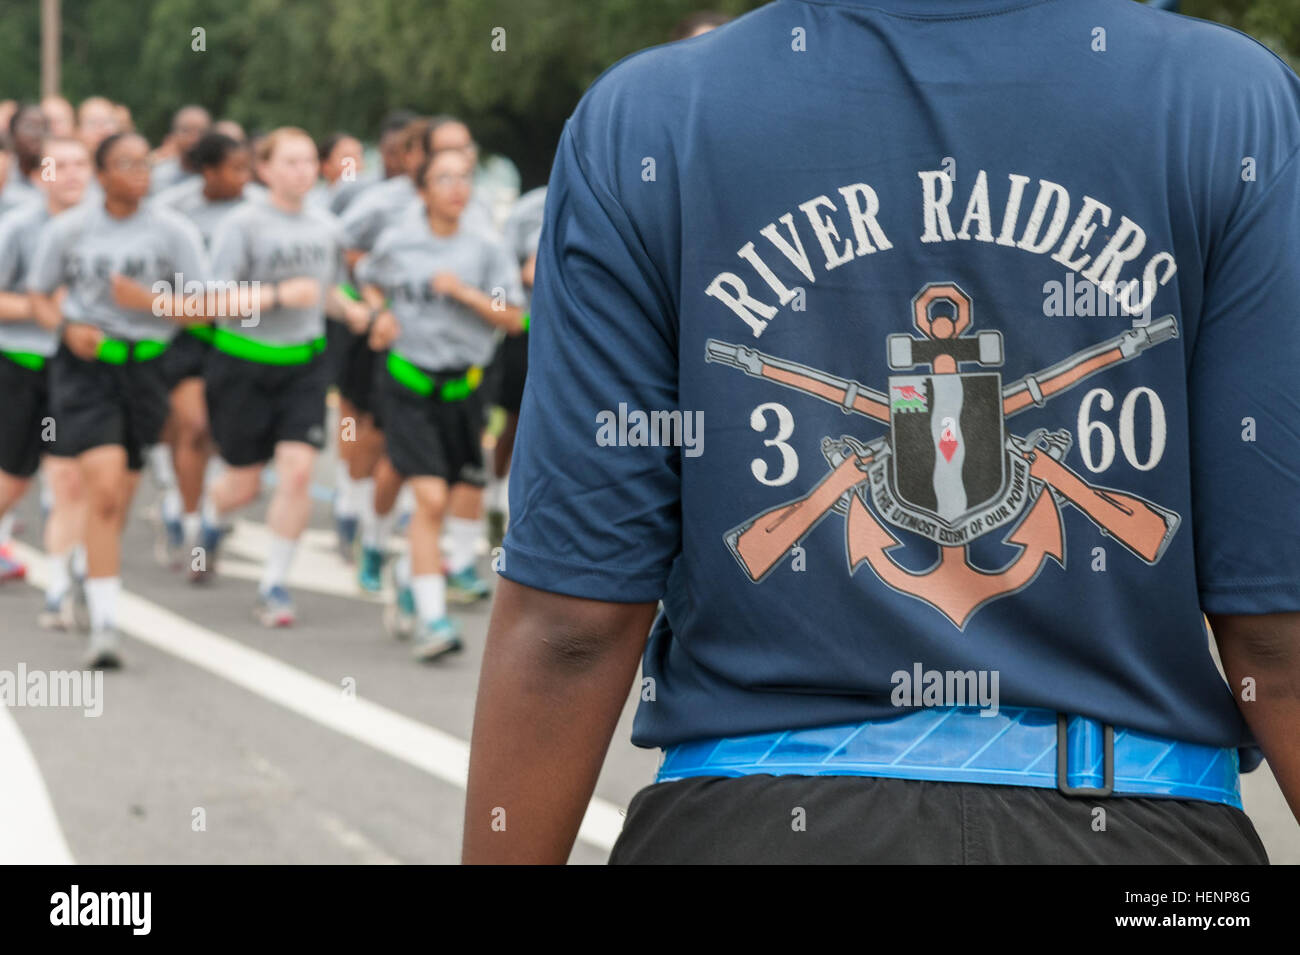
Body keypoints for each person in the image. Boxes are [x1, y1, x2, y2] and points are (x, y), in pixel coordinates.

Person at [463, 0, 1300, 864]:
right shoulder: (1234, 104)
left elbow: (572, 624)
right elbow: (1279, 640)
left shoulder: (643, 120)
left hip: (751, 831)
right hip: (1141, 846)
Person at [27, 131, 208, 668]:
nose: (140, 172)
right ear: (102, 175)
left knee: (122, 496)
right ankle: (106, 627)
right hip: (86, 368)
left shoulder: (174, 231)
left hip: (149, 368)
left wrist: (149, 301)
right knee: (102, 489)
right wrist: (64, 327)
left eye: (145, 162)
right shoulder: (69, 230)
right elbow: (39, 295)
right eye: (125, 163)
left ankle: (89, 570)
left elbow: (203, 310)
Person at [356, 146, 524, 660]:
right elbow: (366, 278)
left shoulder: (485, 247)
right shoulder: (398, 241)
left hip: (466, 390)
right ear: (423, 189)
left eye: (464, 178)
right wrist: (376, 315)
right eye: (444, 178)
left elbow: (514, 317)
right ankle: (434, 621)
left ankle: (410, 577)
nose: (457, 188)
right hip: (407, 382)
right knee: (429, 498)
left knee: (457, 497)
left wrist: (466, 294)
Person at [194, 127, 365, 627]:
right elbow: (211, 302)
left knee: (297, 472)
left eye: (310, 160)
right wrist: (273, 296)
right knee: (243, 484)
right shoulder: (242, 225)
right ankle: (211, 519)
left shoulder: (326, 227)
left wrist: (358, 315)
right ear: (264, 169)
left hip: (304, 364)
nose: (303, 170)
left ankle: (273, 586)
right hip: (243, 360)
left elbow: (326, 291)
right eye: (290, 162)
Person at [149, 132, 254, 564]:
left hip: (239, 336)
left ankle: (191, 504)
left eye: (249, 168)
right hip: (186, 335)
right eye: (235, 169)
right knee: (192, 426)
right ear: (208, 172)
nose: (245, 178)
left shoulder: (258, 209)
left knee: (218, 433)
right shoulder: (173, 210)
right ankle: (191, 525)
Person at [0, 137, 93, 617]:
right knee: (14, 480)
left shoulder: (107, 227)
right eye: (62, 165)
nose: (73, 174)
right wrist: (42, 311)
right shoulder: (17, 227)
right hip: (23, 364)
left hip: (79, 371)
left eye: (82, 164)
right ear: (41, 175)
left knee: (70, 478)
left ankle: (60, 586)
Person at [333, 117, 429, 573]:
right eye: (399, 151)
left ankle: (394, 516)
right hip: (372, 325)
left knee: (402, 432)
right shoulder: (375, 201)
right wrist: (374, 297)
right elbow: (343, 252)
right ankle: (350, 506)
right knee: (364, 421)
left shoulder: (465, 208)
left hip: (430, 337)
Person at [485, 185, 545, 549]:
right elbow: (512, 269)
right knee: (514, 420)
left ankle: (523, 507)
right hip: (526, 329)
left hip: (576, 333)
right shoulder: (530, 208)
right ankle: (497, 498)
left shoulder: (611, 196)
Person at [149, 105, 212, 194]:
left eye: (200, 132)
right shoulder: (158, 176)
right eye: (186, 131)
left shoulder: (217, 178)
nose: (193, 138)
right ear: (174, 135)